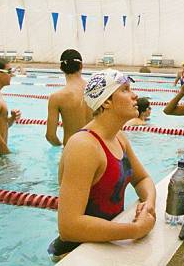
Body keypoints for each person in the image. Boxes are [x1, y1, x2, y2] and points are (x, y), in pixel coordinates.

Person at [48, 69, 156, 260]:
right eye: (125, 90)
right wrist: (134, 230)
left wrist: (148, 204)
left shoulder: (119, 138)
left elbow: (142, 179)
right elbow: (69, 227)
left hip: (107, 246)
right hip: (76, 253)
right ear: (106, 101)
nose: (135, 95)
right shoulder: (84, 146)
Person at [46, 49, 91, 146]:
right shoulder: (96, 90)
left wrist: (62, 148)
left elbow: (50, 136)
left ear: (61, 68)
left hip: (72, 151)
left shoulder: (56, 98)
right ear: (81, 66)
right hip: (97, 150)